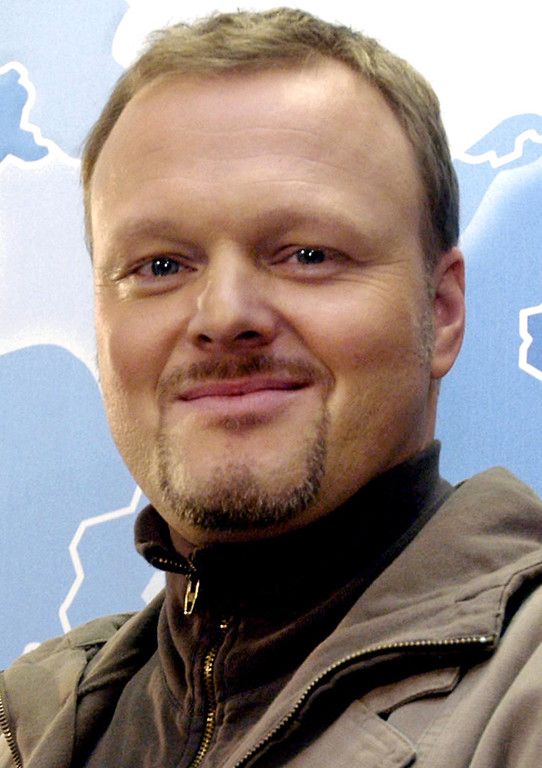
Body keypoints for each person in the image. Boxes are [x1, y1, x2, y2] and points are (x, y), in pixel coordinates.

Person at [2, 7, 542, 767]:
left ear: (442, 311)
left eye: (307, 254)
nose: (224, 315)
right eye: (161, 266)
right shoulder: (29, 719)